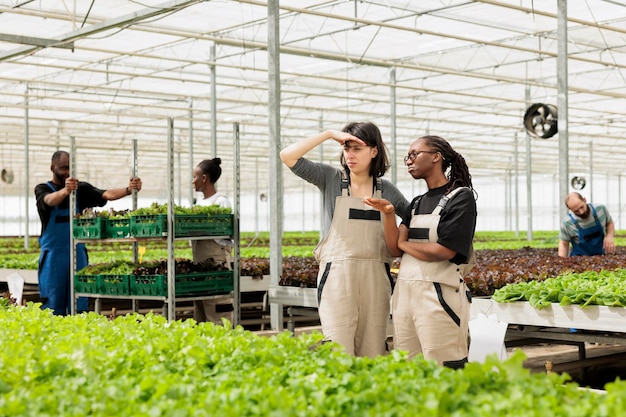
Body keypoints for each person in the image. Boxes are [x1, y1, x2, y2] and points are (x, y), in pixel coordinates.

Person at [280, 122, 410, 357]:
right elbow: (287, 156)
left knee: (373, 350)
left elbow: (412, 217)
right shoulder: (330, 179)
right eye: (346, 148)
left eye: (357, 149)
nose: (350, 155)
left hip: (376, 279)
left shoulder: (386, 190)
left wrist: (397, 239)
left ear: (374, 151)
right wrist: (329, 134)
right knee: (337, 347)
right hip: (337, 278)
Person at [364, 135, 477, 369]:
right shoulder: (416, 203)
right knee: (408, 365)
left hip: (438, 294)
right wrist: (388, 214)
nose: (409, 160)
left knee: (444, 363)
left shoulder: (460, 197)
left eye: (415, 154)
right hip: (405, 292)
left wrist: (406, 245)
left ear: (436, 157)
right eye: (408, 156)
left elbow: (443, 250)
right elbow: (394, 247)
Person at [35, 150, 142, 316]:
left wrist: (128, 189)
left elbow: (106, 194)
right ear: (52, 167)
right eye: (63, 168)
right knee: (52, 301)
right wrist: (65, 191)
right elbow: (49, 200)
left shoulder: (81, 189)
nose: (68, 172)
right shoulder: (43, 189)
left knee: (80, 300)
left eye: (71, 168)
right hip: (54, 258)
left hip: (78, 254)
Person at [191, 157, 233, 324]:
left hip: (217, 265)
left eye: (195, 177)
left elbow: (226, 236)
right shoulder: (198, 205)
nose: (192, 181)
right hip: (200, 266)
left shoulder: (220, 202)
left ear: (204, 178)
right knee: (201, 311)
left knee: (218, 310)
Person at [558, 192, 615, 257]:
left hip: (600, 257)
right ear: (570, 209)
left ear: (584, 200)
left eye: (581, 207)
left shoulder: (600, 209)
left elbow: (609, 223)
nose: (581, 212)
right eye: (576, 211)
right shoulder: (567, 223)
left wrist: (609, 236)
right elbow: (564, 244)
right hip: (578, 260)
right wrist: (562, 262)